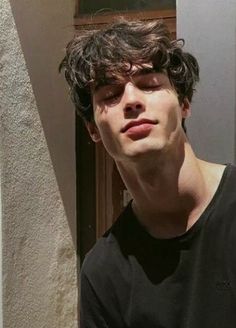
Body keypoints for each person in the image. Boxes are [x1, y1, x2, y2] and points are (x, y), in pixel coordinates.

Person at [60, 18, 236, 327]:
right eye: (111, 94)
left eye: (150, 84)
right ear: (92, 129)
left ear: (184, 103)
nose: (131, 100)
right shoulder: (103, 274)